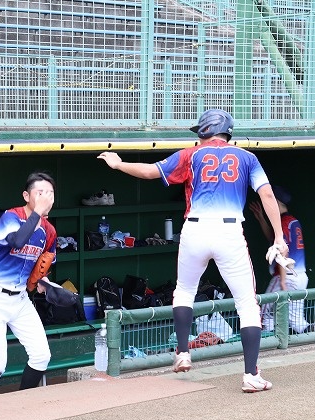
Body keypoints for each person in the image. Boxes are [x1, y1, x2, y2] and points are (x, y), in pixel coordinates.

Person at [97, 108, 287, 393]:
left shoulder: (191, 154)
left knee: (184, 291)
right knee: (247, 304)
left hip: (195, 229)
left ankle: (183, 352)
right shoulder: (247, 157)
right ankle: (250, 375)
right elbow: (267, 194)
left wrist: (118, 163)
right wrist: (279, 237)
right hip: (229, 231)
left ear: (205, 131)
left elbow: (150, 171)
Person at [0, 172, 57, 397]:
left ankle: (21, 403)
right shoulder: (11, 216)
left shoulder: (49, 230)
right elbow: (17, 241)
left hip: (19, 298)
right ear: (26, 196)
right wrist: (37, 213)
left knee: (41, 356)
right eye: (40, 193)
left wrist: (45, 282)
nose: (46, 198)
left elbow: (41, 265)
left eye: (50, 193)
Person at [250, 185, 309, 333]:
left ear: (276, 202)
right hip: (300, 277)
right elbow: (273, 238)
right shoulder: (292, 221)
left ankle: (267, 343)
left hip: (286, 276)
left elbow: (282, 251)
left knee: (263, 316)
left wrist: (282, 281)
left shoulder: (283, 223)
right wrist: (261, 218)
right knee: (297, 321)